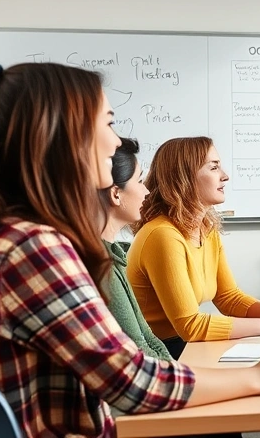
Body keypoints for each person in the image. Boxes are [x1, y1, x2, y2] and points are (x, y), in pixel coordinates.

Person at [0, 62, 260, 438]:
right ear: (67, 137)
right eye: (109, 123)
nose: (115, 142)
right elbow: (130, 382)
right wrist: (257, 377)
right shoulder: (32, 248)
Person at [128, 136, 260, 359]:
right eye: (214, 167)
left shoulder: (206, 228)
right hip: (158, 353)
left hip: (184, 346)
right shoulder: (162, 235)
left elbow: (229, 298)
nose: (225, 176)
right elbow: (191, 326)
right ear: (184, 176)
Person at [99, 137, 171, 360]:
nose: (147, 192)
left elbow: (148, 339)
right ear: (115, 193)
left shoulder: (114, 254)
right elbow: (140, 350)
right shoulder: (102, 265)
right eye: (139, 181)